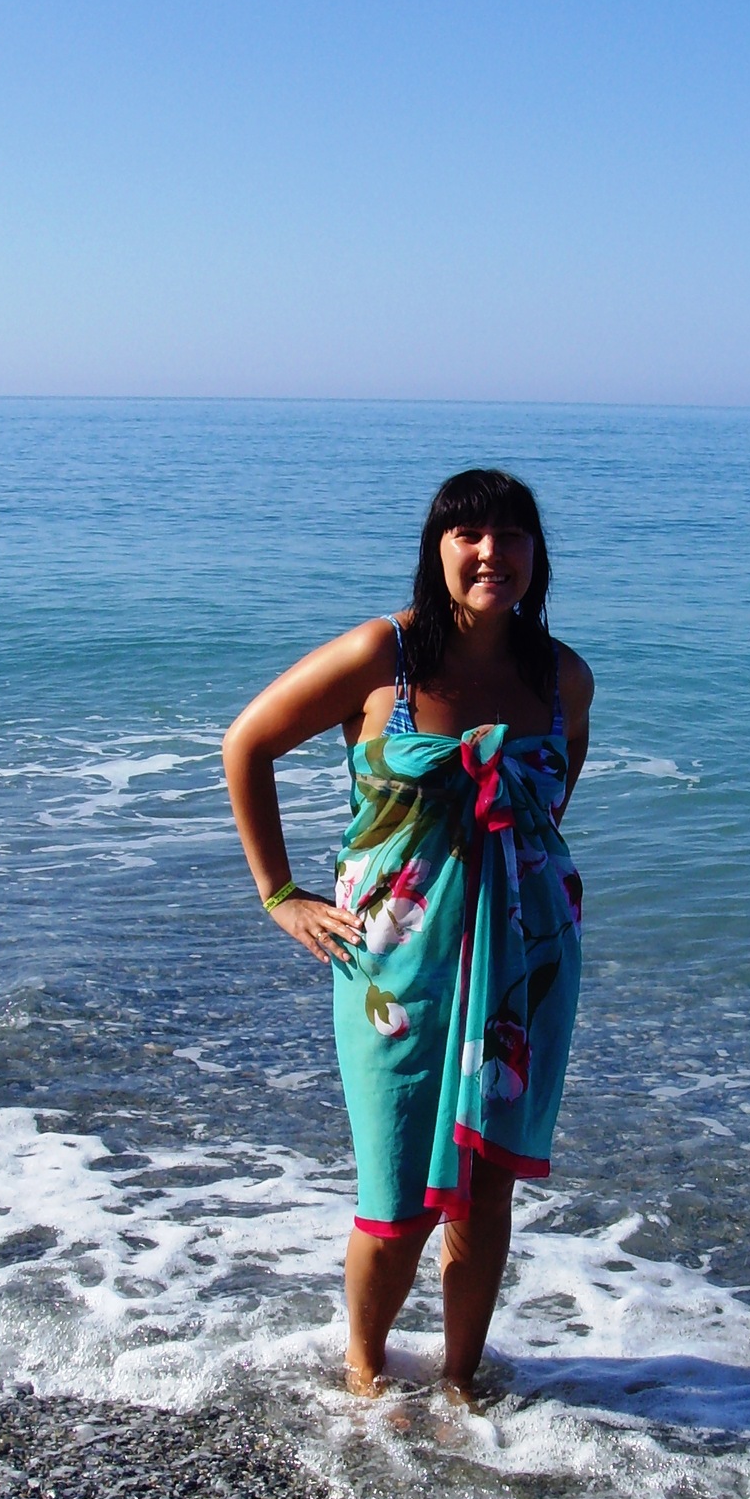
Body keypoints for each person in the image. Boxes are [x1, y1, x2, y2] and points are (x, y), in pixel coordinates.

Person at [222, 469, 593, 1399]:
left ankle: (462, 1384)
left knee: (489, 1189)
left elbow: (548, 800)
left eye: (513, 535)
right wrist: (281, 895)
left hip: (526, 965)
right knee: (395, 1196)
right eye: (469, 534)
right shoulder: (379, 656)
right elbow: (247, 743)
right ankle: (365, 1376)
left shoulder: (563, 677)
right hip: (392, 967)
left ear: (537, 555)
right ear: (438, 550)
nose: (492, 552)